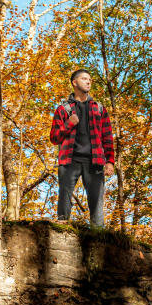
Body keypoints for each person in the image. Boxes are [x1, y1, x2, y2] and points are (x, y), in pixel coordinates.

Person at [50, 69, 116, 227]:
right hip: (69, 160)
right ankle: (61, 230)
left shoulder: (99, 108)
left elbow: (107, 137)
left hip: (94, 161)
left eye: (90, 79)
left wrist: (110, 162)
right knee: (64, 199)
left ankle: (98, 238)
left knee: (97, 204)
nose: (88, 82)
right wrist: (69, 123)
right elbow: (54, 138)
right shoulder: (63, 109)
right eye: (84, 78)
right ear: (74, 82)